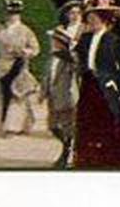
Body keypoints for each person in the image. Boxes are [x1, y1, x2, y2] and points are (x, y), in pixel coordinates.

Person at [73, 0, 120, 168]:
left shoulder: (114, 41)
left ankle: (113, 157)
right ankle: (89, 157)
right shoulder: (85, 39)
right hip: (89, 85)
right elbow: (75, 54)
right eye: (88, 17)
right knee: (88, 121)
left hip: (107, 86)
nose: (90, 20)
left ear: (102, 19)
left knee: (109, 120)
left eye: (93, 17)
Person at [0, 0, 41, 137]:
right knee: (3, 93)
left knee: (17, 94)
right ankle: (2, 123)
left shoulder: (25, 30)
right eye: (9, 13)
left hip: (19, 64)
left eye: (15, 14)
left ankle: (14, 126)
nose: (12, 16)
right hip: (3, 65)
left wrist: (26, 52)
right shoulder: (1, 29)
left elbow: (35, 48)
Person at [44, 27, 79, 168]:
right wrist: (43, 91)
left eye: (54, 40)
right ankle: (68, 147)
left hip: (65, 98)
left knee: (67, 127)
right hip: (53, 98)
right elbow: (48, 76)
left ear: (60, 43)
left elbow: (77, 65)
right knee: (52, 126)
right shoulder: (52, 58)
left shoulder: (68, 60)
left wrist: (69, 55)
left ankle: (65, 154)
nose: (51, 42)